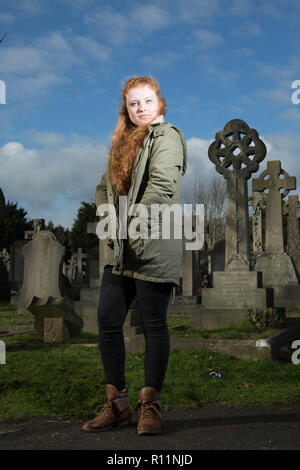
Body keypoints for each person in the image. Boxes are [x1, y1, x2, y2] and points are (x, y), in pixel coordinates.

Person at [82, 76, 187, 435]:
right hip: (121, 247)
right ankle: (118, 405)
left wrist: (132, 222)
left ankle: (150, 406)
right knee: (108, 319)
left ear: (159, 102)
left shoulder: (168, 136)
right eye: (133, 103)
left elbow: (162, 184)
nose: (140, 108)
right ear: (125, 109)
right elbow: (102, 187)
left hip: (154, 242)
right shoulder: (122, 142)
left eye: (146, 101)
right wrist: (107, 218)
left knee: (153, 323)